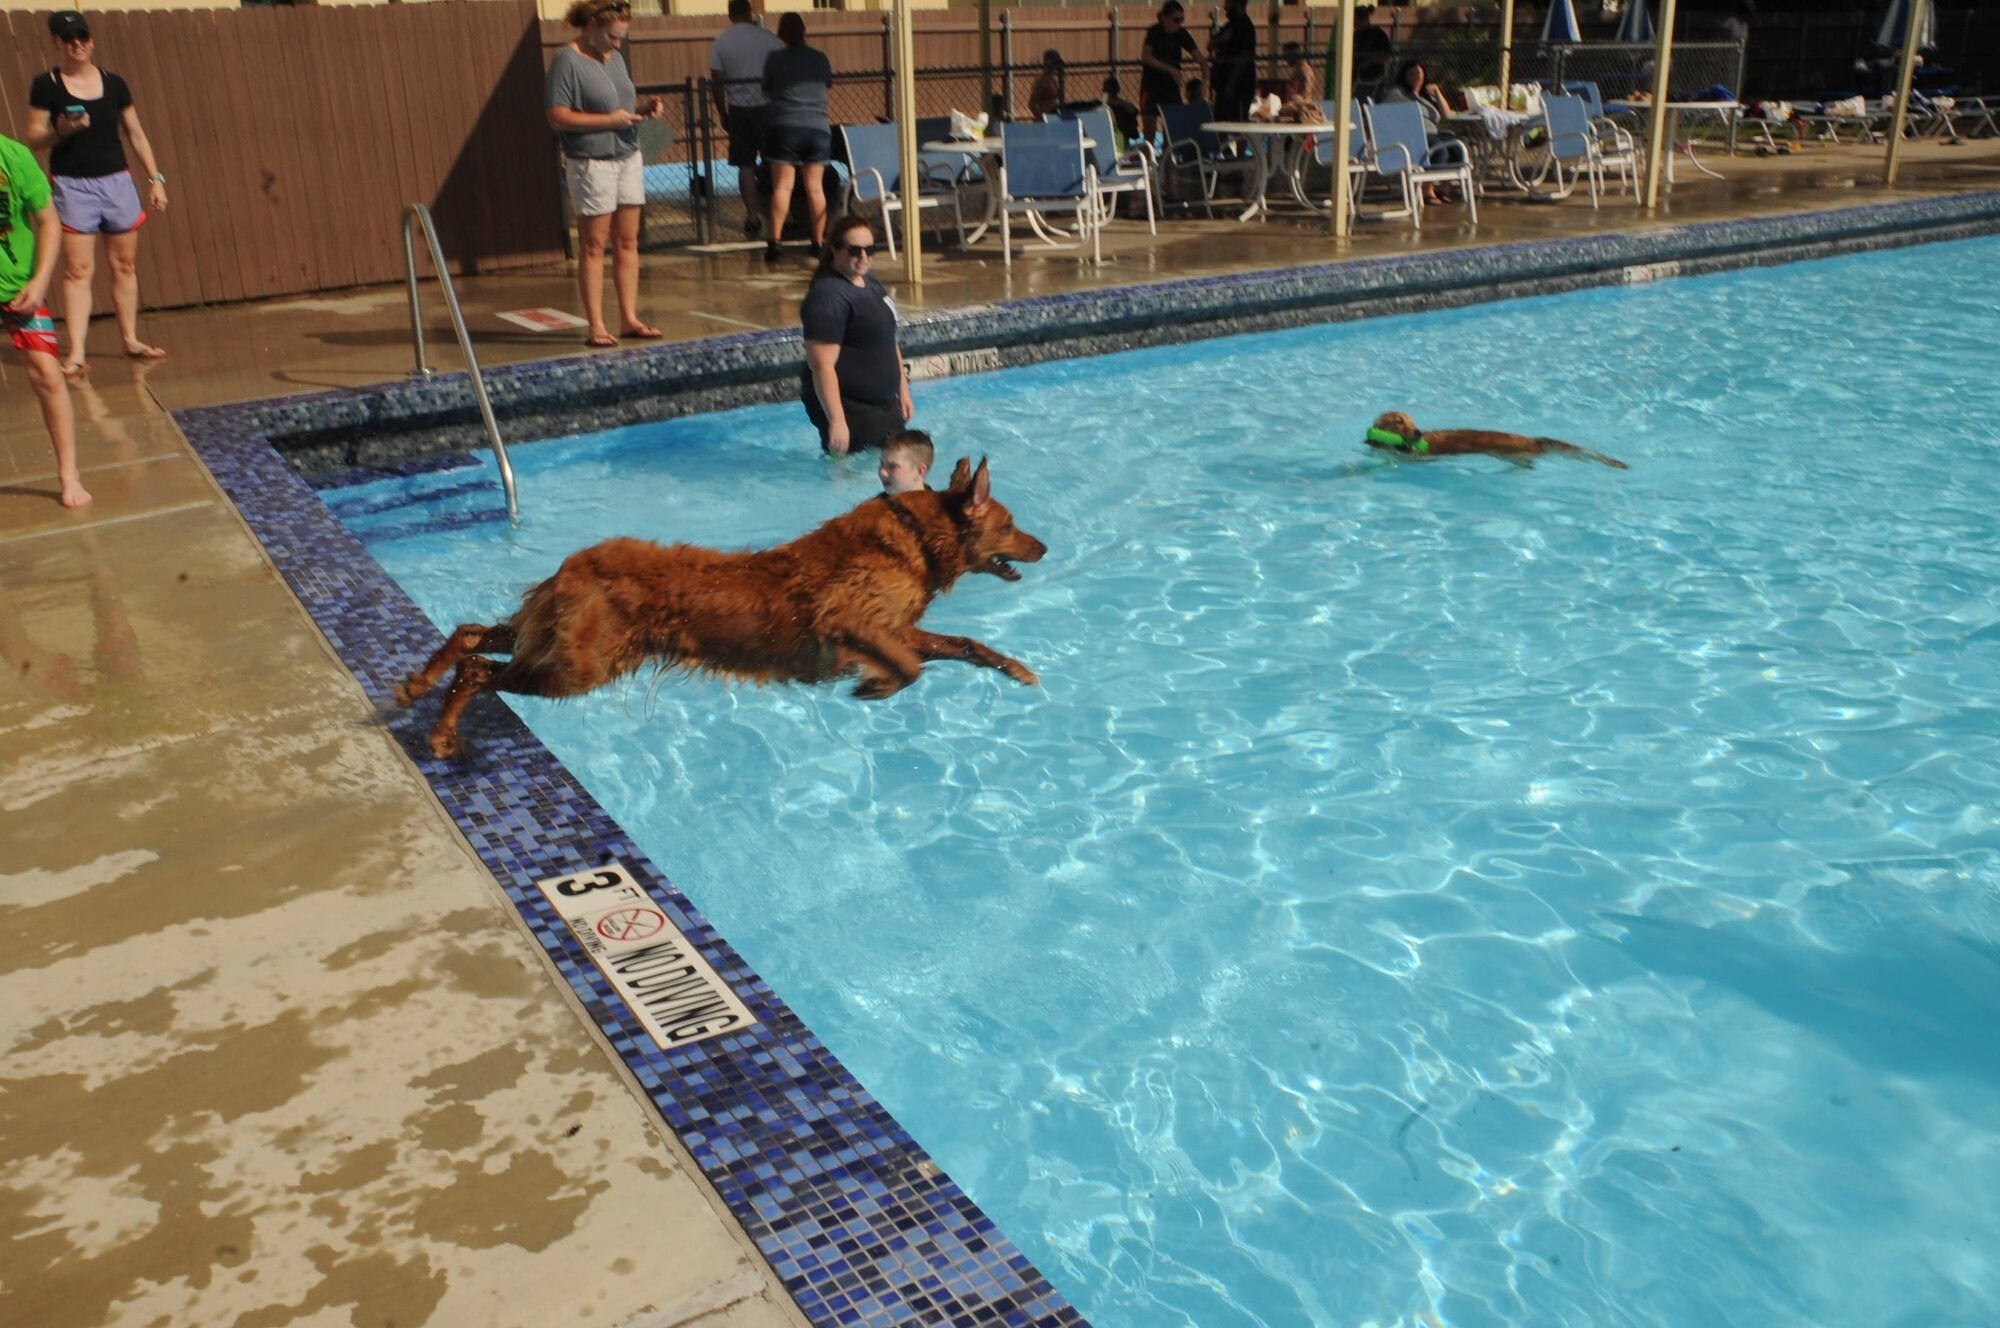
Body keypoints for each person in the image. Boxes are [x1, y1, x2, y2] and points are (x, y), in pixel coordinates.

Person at [24, 11, 168, 380]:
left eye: (82, 36)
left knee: (124, 266)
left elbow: (136, 134)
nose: (77, 43)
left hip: (117, 183)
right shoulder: (47, 85)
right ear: (56, 42)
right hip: (73, 187)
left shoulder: (115, 83)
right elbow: (34, 138)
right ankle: (76, 352)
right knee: (77, 271)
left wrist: (156, 178)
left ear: (92, 39)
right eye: (68, 38)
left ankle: (131, 340)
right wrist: (62, 130)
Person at [547, 0, 667, 348]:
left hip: (627, 155)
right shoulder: (566, 61)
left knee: (628, 241)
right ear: (593, 27)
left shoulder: (614, 58)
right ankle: (596, 324)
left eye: (622, 38)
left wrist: (643, 109)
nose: (618, 45)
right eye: (613, 37)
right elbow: (557, 116)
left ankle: (628, 318)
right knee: (594, 245)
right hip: (591, 162)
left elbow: (620, 105)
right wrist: (608, 121)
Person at [1, 132, 89, 508]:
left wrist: (39, 281)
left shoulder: (13, 156)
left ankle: (69, 476)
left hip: (17, 287)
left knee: (48, 375)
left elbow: (48, 222)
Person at [800, 216, 910, 457]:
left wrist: (902, 389)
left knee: (897, 468)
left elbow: (888, 339)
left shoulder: (869, 283)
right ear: (835, 250)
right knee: (856, 479)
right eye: (854, 250)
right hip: (851, 408)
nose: (863, 257)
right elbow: (821, 365)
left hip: (883, 405)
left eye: (870, 249)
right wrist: (837, 421)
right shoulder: (828, 297)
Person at [762, 11, 833, 262]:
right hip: (817, 127)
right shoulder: (820, 58)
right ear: (804, 31)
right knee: (815, 188)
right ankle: (817, 242)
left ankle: (775, 242)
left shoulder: (774, 58)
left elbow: (767, 90)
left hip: (785, 126)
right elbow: (826, 85)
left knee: (783, 186)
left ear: (781, 34)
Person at [709, 0, 782, 238]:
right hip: (766, 106)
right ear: (749, 12)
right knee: (774, 162)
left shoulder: (723, 42)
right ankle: (778, 211)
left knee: (745, 165)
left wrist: (723, 112)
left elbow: (717, 82)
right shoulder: (768, 39)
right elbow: (779, 74)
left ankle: (752, 215)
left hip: (739, 108)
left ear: (730, 14)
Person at [1378, 59, 1461, 205]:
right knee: (1440, 151)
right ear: (1404, 76)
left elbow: (1446, 115)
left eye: (1419, 74)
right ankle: (1427, 190)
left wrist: (1437, 92)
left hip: (1433, 133)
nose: (1416, 77)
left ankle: (1443, 189)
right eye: (1411, 74)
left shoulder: (1425, 97)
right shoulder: (1398, 93)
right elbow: (1385, 108)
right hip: (1415, 135)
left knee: (1456, 148)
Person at [1140, 2, 1201, 142]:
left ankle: (1169, 161)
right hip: (1151, 85)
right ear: (1165, 18)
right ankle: (1149, 162)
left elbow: (1200, 59)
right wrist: (1170, 69)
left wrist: (1205, 80)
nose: (1179, 24)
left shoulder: (1181, 34)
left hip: (1170, 88)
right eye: (1176, 20)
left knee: (1172, 129)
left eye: (1181, 20)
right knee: (1149, 130)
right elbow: (1146, 56)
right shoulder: (1155, 32)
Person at [1208, 0, 1258, 125]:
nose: (1225, 7)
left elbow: (1245, 56)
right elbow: (1210, 44)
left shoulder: (1245, 25)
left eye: (1228, 3)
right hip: (1223, 84)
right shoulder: (1230, 25)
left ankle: (1241, 145)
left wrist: (1231, 83)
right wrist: (1222, 39)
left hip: (1239, 86)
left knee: (1239, 123)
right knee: (1220, 122)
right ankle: (1224, 145)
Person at [1332, 4, 1393, 101]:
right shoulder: (1354, 35)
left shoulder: (1377, 34)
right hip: (1356, 78)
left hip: (1374, 78)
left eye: (1355, 20)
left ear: (1363, 19)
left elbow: (1386, 55)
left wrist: (1370, 60)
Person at [877, 429, 933, 494]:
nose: (882, 472)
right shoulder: (877, 502)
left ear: (920, 471)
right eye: (882, 464)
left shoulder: (937, 504)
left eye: (892, 466)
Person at [1100, 76, 1142, 151]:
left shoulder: (1109, 105)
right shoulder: (1121, 104)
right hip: (1122, 131)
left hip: (1120, 130)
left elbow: (1135, 111)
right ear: (1118, 90)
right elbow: (1135, 111)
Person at [1029, 51, 1066, 122]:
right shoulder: (1041, 80)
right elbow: (1031, 104)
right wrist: (1041, 118)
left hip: (1054, 116)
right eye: (1055, 63)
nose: (1057, 66)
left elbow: (1059, 98)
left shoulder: (1053, 79)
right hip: (1045, 116)